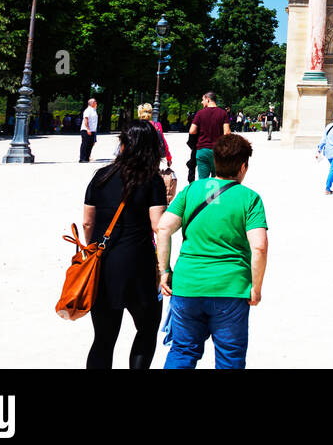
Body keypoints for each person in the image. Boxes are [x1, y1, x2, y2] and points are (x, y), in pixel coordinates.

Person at [157, 134, 268, 369]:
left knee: (182, 351)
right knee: (229, 358)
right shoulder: (250, 198)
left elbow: (164, 227)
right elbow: (259, 246)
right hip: (231, 287)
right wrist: (256, 287)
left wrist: (164, 270)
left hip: (188, 284)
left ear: (215, 161)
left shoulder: (192, 190)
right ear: (243, 166)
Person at [83, 120, 168, 368]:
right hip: (138, 264)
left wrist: (94, 249)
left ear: (123, 145)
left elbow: (88, 223)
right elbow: (157, 225)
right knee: (146, 329)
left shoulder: (101, 176)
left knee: (103, 338)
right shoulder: (152, 181)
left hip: (104, 263)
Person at [188, 92, 230, 181]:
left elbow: (192, 131)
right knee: (217, 180)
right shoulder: (223, 113)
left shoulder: (199, 114)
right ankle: (215, 195)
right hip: (218, 151)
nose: (201, 102)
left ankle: (203, 195)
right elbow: (227, 133)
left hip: (202, 150)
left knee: (202, 180)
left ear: (208, 99)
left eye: (202, 100)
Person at [80, 98, 99, 163]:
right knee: (85, 144)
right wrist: (88, 129)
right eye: (95, 102)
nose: (96, 103)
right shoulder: (88, 110)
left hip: (93, 130)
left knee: (90, 144)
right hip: (86, 130)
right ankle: (82, 158)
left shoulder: (94, 110)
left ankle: (87, 158)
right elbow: (86, 120)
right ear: (92, 103)